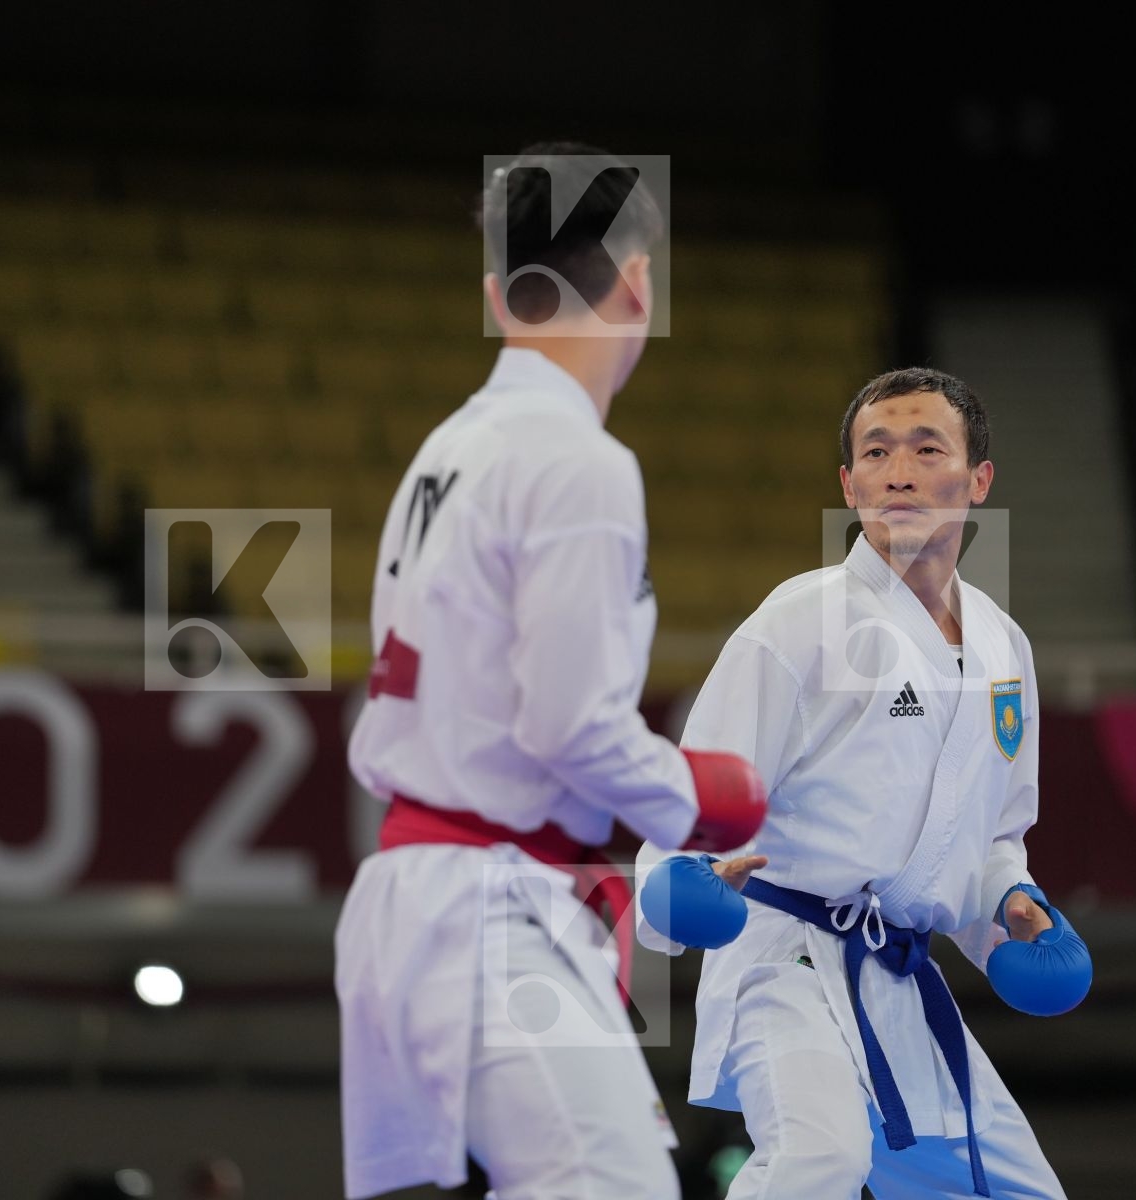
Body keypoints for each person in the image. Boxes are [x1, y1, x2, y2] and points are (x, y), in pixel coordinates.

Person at [335, 142, 768, 1200]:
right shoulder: (579, 462)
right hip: (486, 910)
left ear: (497, 293)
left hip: (419, 901)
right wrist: (701, 799)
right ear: (638, 281)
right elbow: (567, 727)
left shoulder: (446, 451)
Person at [637, 367, 1090, 1198]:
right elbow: (690, 804)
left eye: (927, 448)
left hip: (897, 979)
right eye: (875, 453)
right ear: (849, 486)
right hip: (787, 964)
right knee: (820, 1160)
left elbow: (992, 836)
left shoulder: (1002, 647)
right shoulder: (799, 621)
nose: (900, 472)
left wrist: (1012, 907)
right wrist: (674, 883)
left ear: (978, 480)